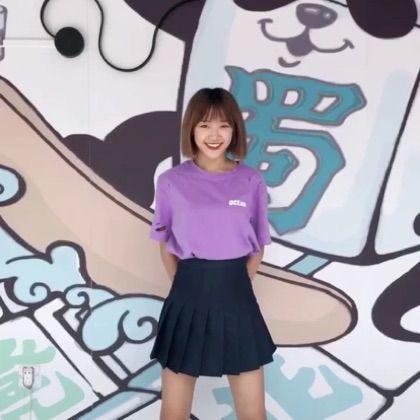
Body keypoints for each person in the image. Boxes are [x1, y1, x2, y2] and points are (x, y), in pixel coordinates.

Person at [149, 87, 276, 420]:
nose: (214, 135)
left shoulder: (251, 180)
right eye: (205, 125)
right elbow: (164, 242)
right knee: (173, 413)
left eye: (223, 125)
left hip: (237, 296)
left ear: (235, 130)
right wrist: (188, 284)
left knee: (253, 414)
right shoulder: (171, 181)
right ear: (191, 129)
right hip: (186, 295)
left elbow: (259, 243)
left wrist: (233, 282)